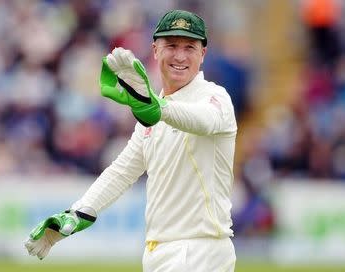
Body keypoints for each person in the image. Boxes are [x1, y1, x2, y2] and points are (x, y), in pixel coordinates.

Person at [24, 9, 238, 271]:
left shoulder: (215, 98)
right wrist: (79, 213)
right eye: (171, 46)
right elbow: (122, 171)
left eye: (190, 47)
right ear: (155, 50)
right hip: (160, 251)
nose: (180, 56)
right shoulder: (152, 113)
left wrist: (154, 107)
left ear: (202, 54)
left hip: (198, 251)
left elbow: (202, 120)